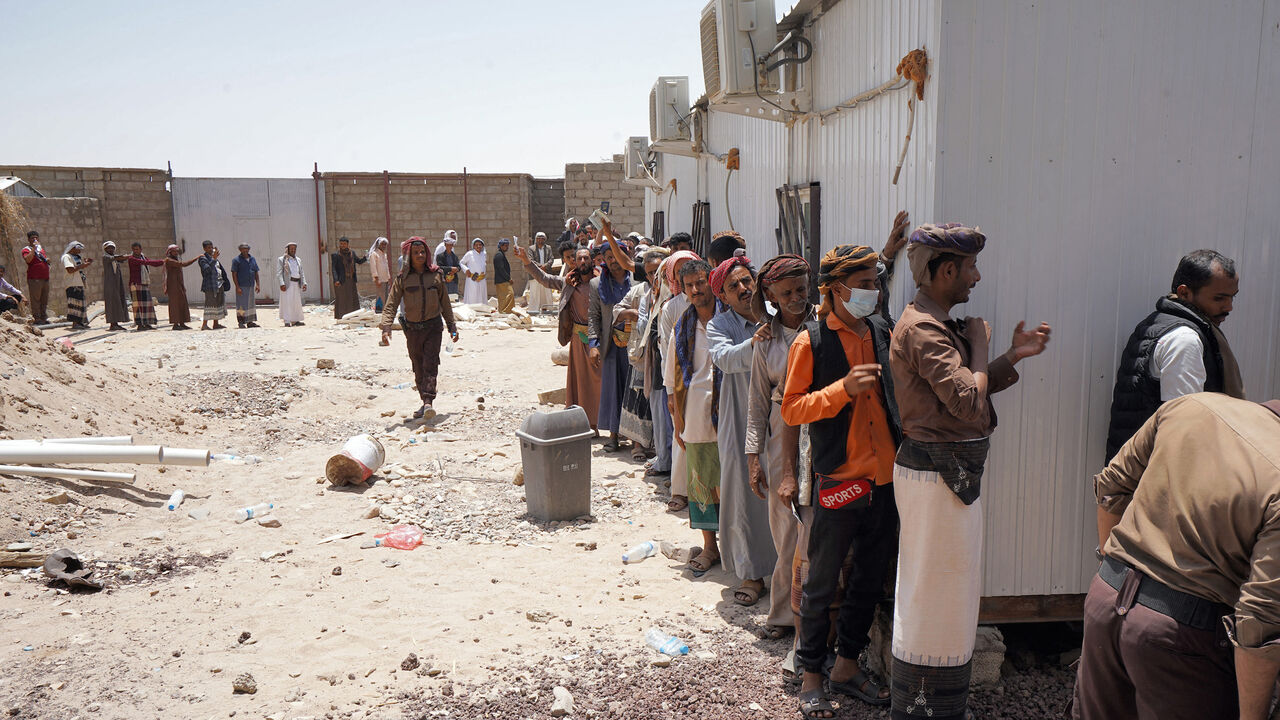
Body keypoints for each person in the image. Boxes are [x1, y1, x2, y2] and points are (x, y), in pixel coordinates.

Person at [888, 223, 1051, 720]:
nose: (977, 277)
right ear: (947, 270)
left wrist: (1010, 357)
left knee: (947, 594)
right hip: (936, 481)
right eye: (971, 268)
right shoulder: (922, 328)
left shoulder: (932, 323)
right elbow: (966, 402)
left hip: (944, 479)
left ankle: (938, 707)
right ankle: (923, 709)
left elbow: (961, 394)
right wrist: (980, 345)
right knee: (933, 597)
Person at [1073, 393, 1280, 720]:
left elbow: (1111, 488)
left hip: (1105, 600)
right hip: (1180, 636)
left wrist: (1115, 576)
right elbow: (1261, 621)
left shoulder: (1190, 405)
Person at [781, 245, 901, 717]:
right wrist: (839, 391)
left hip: (885, 480)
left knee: (869, 578)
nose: (874, 292)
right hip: (839, 481)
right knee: (822, 581)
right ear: (836, 289)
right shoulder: (810, 342)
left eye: (876, 283)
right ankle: (811, 675)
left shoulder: (878, 331)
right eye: (867, 284)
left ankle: (847, 667)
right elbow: (791, 408)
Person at [1105, 249, 1243, 460]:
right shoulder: (1183, 339)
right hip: (1158, 478)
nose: (1229, 307)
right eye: (1219, 298)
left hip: (1142, 472)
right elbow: (1185, 425)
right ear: (1185, 293)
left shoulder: (1161, 323)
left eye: (1232, 298)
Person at [745, 254, 814, 642]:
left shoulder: (824, 327)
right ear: (770, 294)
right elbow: (756, 404)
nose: (796, 298)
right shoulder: (765, 341)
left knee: (816, 527)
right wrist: (753, 459)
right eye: (786, 292)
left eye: (801, 289)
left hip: (819, 434)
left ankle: (814, 615)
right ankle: (783, 614)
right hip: (776, 439)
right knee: (785, 528)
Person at [705, 254, 776, 608]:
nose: (744, 288)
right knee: (744, 494)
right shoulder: (719, 325)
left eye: (747, 280)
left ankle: (783, 569)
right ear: (724, 296)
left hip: (780, 416)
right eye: (734, 286)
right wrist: (757, 342)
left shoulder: (776, 314)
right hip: (739, 417)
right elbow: (726, 359)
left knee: (783, 487)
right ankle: (751, 572)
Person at [665, 259, 722, 576]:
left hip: (730, 413)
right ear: (684, 290)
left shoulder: (731, 320)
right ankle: (710, 547)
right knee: (702, 484)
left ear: (710, 281)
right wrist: (677, 424)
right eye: (689, 285)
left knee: (733, 482)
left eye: (701, 282)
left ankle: (738, 547)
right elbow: (672, 384)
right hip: (696, 415)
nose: (697, 289)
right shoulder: (683, 327)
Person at [516, 242, 602, 430]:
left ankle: (604, 422)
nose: (582, 261)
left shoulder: (601, 281)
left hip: (600, 340)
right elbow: (544, 279)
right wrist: (526, 260)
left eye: (586, 258)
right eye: (578, 258)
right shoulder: (568, 282)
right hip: (579, 339)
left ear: (592, 260)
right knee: (581, 383)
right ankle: (587, 425)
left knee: (600, 381)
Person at [380, 237, 459, 420]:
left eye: (423, 252)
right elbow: (391, 303)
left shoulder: (436, 275)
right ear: (409, 255)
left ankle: (428, 402)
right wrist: (386, 327)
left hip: (433, 327)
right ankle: (424, 401)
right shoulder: (402, 279)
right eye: (416, 253)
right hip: (413, 330)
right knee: (418, 366)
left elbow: (445, 303)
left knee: (430, 364)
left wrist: (452, 326)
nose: (420, 255)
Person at [658, 249, 701, 511]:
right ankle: (681, 490)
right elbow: (667, 352)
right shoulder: (672, 308)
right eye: (680, 271)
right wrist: (672, 391)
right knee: (681, 435)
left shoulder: (712, 301)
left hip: (707, 379)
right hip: (682, 382)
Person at [590, 233, 635, 452]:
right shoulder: (596, 284)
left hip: (635, 343)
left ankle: (637, 437)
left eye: (616, 255)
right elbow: (594, 317)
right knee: (612, 389)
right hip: (610, 345)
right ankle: (613, 436)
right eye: (608, 257)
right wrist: (593, 345)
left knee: (634, 388)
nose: (613, 260)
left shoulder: (637, 281)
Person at [123, 242, 165, 331]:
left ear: (141, 249)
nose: (135, 251)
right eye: (134, 249)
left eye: (137, 249)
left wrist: (162, 262)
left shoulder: (143, 257)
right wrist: (162, 261)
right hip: (135, 284)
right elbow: (147, 262)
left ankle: (147, 323)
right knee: (137, 305)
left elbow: (148, 262)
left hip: (144, 283)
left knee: (147, 304)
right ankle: (140, 324)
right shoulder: (131, 258)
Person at [161, 244, 198, 330]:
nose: (176, 253)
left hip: (179, 284)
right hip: (173, 285)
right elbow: (183, 264)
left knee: (182, 303)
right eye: (174, 251)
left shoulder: (175, 259)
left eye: (176, 251)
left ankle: (182, 322)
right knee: (175, 304)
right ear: (170, 252)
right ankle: (175, 324)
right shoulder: (169, 260)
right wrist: (196, 258)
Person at [330, 236, 366, 319]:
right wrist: (336, 280)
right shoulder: (336, 255)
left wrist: (365, 258)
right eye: (341, 244)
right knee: (342, 298)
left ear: (347, 244)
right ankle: (341, 316)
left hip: (351, 279)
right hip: (341, 280)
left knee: (352, 297)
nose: (342, 245)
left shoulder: (352, 253)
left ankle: (352, 315)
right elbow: (334, 269)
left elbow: (359, 261)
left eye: (344, 244)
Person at [197, 241, 229, 331]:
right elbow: (206, 270)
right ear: (204, 249)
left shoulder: (214, 258)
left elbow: (219, 269)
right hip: (210, 285)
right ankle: (204, 325)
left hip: (219, 283)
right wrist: (214, 259)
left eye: (211, 247)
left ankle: (216, 324)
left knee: (218, 303)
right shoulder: (203, 259)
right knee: (209, 304)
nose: (210, 249)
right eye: (208, 248)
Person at [60, 242, 94, 329]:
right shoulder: (66, 257)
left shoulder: (77, 257)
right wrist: (83, 265)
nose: (80, 251)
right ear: (73, 248)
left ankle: (81, 322)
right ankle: (75, 323)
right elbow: (70, 270)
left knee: (80, 303)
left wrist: (85, 263)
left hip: (79, 282)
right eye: (78, 249)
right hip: (72, 283)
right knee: (74, 303)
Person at [21, 231, 51, 324]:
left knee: (44, 299)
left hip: (45, 277)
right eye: (33, 238)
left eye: (36, 238)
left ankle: (43, 317)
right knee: (35, 299)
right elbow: (28, 260)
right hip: (35, 278)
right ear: (28, 239)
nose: (35, 239)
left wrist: (47, 260)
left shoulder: (40, 249)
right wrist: (33, 248)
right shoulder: (26, 249)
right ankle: (37, 318)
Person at [277, 242, 308, 328]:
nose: (293, 250)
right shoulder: (282, 259)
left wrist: (304, 283)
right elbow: (279, 273)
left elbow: (301, 272)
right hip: (287, 284)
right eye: (291, 249)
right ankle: (287, 321)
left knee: (296, 303)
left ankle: (295, 320)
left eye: (294, 249)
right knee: (287, 303)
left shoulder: (298, 260)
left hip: (296, 283)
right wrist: (282, 284)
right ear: (287, 249)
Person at [230, 243, 260, 328]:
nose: (245, 250)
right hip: (241, 286)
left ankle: (250, 322)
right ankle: (241, 322)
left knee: (251, 304)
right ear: (240, 250)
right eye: (243, 249)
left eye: (246, 248)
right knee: (241, 305)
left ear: (249, 249)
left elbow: (256, 272)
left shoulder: (252, 259)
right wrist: (237, 287)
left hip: (251, 285)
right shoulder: (236, 260)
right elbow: (234, 274)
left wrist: (258, 284)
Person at [526, 232, 556, 313]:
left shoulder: (548, 248)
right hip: (535, 274)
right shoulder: (531, 248)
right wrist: (540, 267)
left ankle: (547, 309)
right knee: (535, 292)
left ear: (544, 239)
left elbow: (551, 259)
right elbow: (531, 260)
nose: (540, 240)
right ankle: (534, 310)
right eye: (538, 238)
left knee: (546, 291)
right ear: (536, 239)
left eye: (542, 238)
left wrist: (545, 266)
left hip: (546, 273)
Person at [459, 238, 488, 306]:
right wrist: (466, 270)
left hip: (482, 279)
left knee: (482, 295)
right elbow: (461, 263)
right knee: (472, 296)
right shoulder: (469, 254)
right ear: (473, 246)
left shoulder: (484, 254)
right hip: (472, 279)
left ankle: (482, 310)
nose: (478, 246)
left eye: (480, 245)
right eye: (476, 245)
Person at [369, 237, 391, 313]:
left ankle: (384, 312)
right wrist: (376, 279)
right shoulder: (374, 254)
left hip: (385, 279)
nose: (384, 246)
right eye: (382, 244)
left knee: (385, 296)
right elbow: (373, 267)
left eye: (385, 244)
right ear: (378, 245)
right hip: (379, 280)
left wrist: (388, 278)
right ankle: (379, 312)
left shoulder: (384, 255)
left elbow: (386, 267)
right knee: (380, 296)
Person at [493, 238, 515, 313]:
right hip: (502, 280)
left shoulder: (501, 254)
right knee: (510, 294)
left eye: (507, 246)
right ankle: (506, 311)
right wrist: (509, 278)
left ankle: (503, 311)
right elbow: (501, 269)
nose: (507, 247)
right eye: (505, 245)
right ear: (501, 246)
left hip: (503, 280)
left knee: (504, 297)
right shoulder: (499, 255)